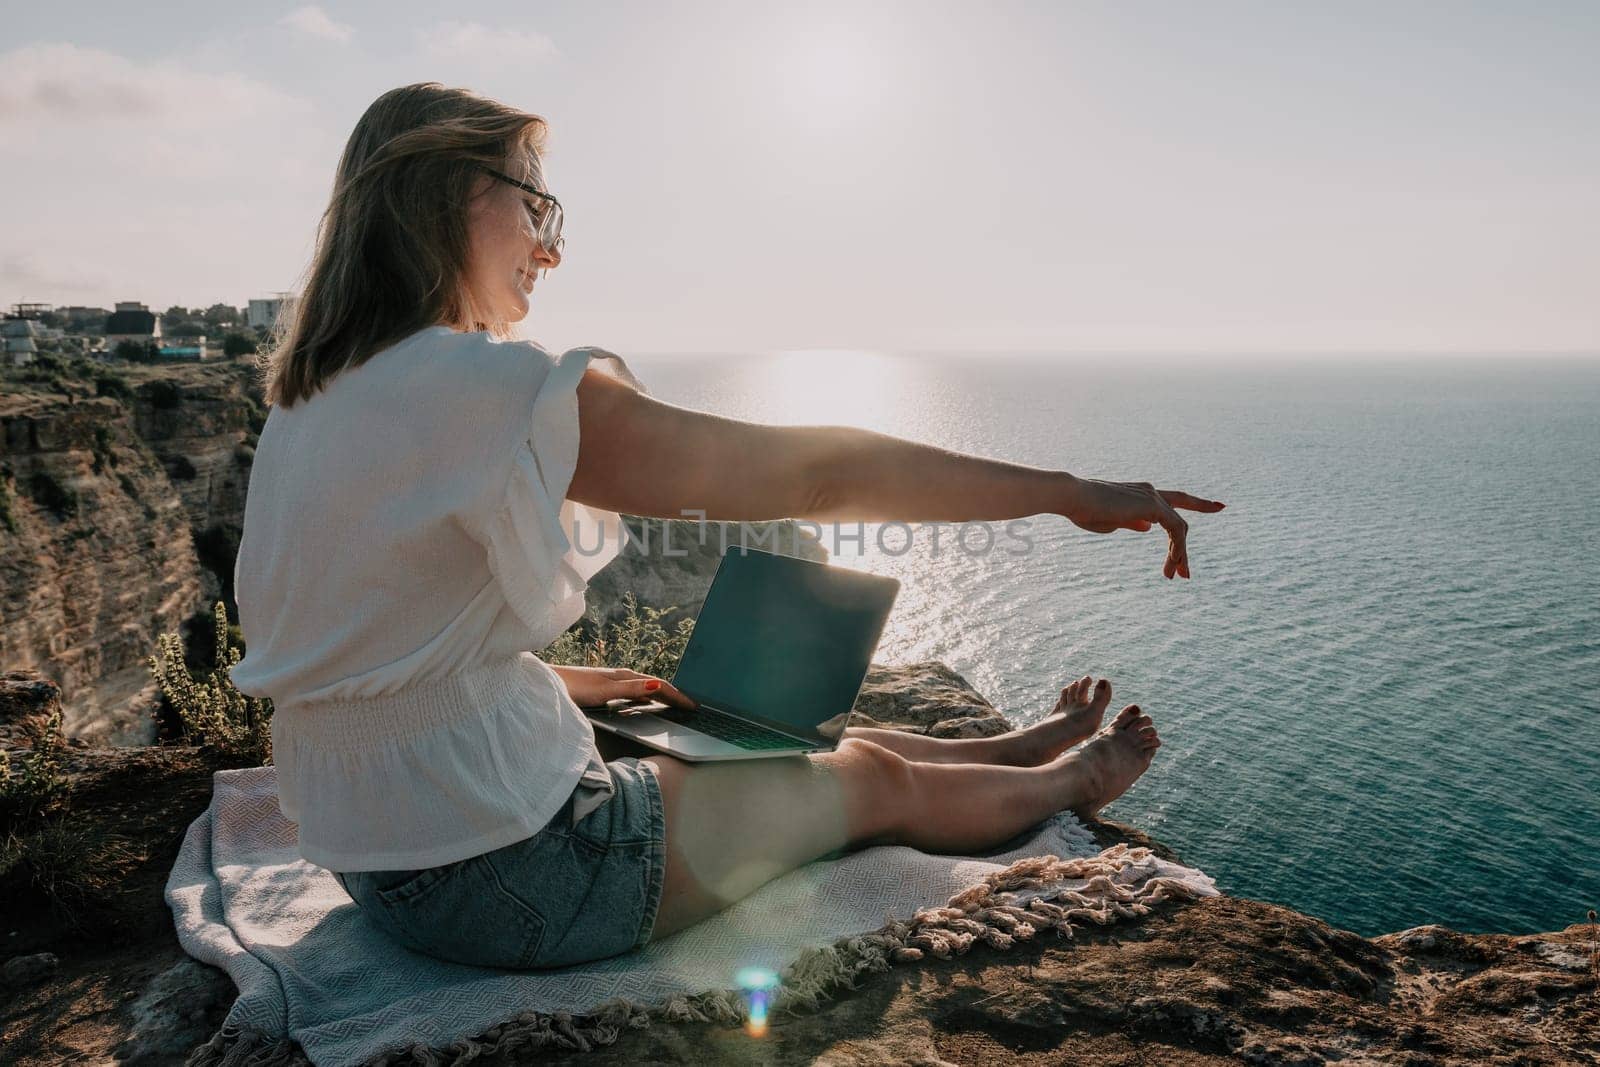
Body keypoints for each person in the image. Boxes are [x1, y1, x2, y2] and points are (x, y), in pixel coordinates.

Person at [229, 82, 1226, 972]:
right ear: (447, 193)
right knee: (867, 777)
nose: (552, 243)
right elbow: (824, 475)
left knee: (772, 738)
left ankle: (1014, 747)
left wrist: (558, 680)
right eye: (536, 201)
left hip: (380, 859)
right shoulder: (482, 390)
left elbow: (346, 641)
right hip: (513, 877)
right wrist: (1063, 489)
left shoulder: (315, 399)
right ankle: (1069, 779)